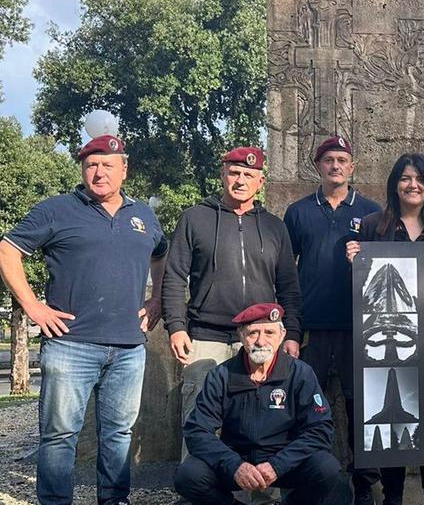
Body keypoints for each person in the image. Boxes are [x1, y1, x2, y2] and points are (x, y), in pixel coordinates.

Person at [0, 134, 168, 505]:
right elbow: (6, 251)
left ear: (124, 169)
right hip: (70, 345)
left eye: (107, 164)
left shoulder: (143, 215)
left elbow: (161, 255)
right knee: (59, 435)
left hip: (128, 348)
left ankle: (114, 500)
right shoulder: (56, 210)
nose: (99, 172)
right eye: (91, 165)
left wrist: (156, 299)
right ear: (82, 169)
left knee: (119, 434)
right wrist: (33, 306)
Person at [162, 146, 302, 456]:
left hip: (259, 339)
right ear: (223, 174)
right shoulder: (195, 218)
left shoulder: (275, 227)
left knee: (263, 420)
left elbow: (289, 287)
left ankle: (263, 497)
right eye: (235, 173)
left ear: (260, 182)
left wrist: (291, 333)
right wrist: (175, 326)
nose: (241, 180)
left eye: (249, 175)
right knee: (200, 419)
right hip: (205, 337)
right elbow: (173, 276)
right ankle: (199, 491)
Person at [346, 153, 424, 505]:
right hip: (388, 339)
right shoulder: (372, 225)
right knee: (393, 424)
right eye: (405, 178)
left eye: (420, 179)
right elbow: (359, 288)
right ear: (394, 184)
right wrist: (353, 261)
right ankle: (392, 497)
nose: (413, 185)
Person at [283, 135, 382, 504]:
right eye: (328, 160)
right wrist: (291, 329)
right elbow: (285, 273)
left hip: (361, 329)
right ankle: (311, 481)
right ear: (318, 166)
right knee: (308, 409)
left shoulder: (372, 212)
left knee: (362, 409)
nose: (335, 166)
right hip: (313, 329)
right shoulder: (298, 212)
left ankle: (364, 485)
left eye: (342, 159)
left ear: (352, 167)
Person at [174, 303, 340, 505]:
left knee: (327, 469)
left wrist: (277, 465)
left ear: (281, 335)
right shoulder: (222, 375)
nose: (261, 341)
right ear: (241, 336)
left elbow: (320, 428)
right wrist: (235, 465)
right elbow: (197, 430)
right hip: (236, 460)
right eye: (253, 333)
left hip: (283, 460)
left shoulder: (300, 373)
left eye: (269, 332)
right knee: (188, 475)